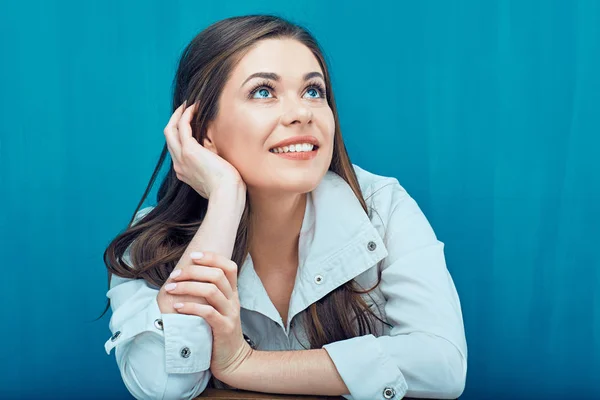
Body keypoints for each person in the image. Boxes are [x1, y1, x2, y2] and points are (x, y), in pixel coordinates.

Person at [99, 14, 468, 400]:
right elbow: (160, 385)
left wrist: (245, 364)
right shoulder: (151, 243)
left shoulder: (383, 206)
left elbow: (441, 366)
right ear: (203, 130)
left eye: (313, 91)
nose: (302, 112)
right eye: (263, 92)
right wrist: (225, 197)